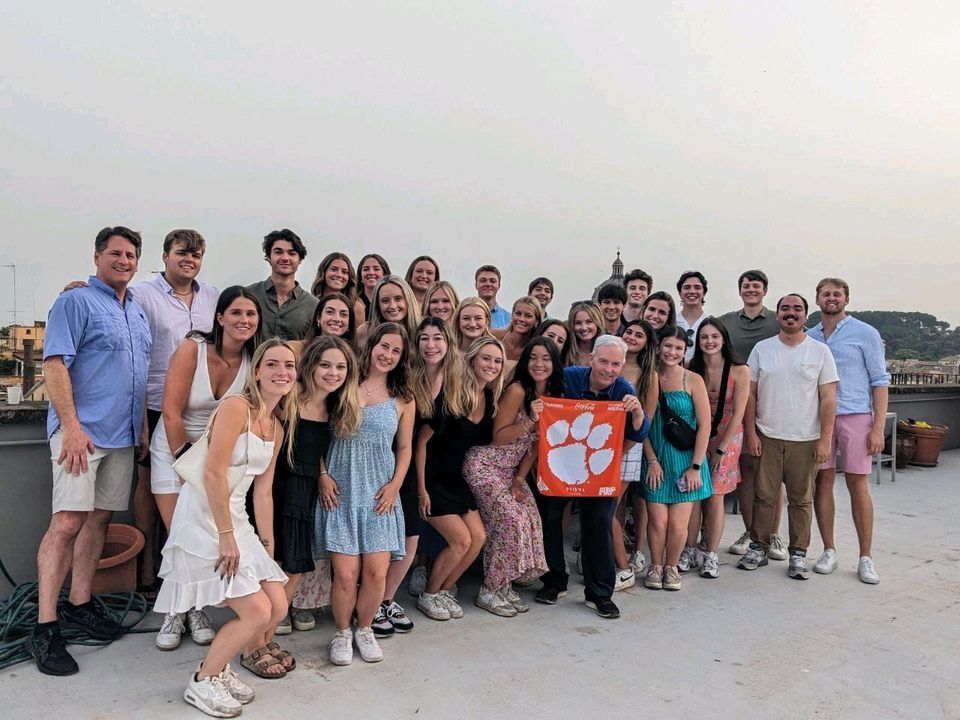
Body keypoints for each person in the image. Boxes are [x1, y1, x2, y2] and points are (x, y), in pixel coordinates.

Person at [28, 226, 151, 677]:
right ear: (97, 256)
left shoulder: (136, 310)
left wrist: (139, 427)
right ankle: (46, 627)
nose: (124, 260)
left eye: (131, 254)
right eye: (115, 253)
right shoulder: (74, 301)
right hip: (82, 437)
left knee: (100, 519)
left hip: (121, 437)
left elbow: (134, 375)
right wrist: (73, 428)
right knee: (66, 522)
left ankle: (81, 602)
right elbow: (55, 363)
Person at [153, 339, 296, 716]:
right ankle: (203, 681)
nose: (281, 372)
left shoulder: (276, 426)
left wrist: (266, 545)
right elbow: (213, 472)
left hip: (237, 518)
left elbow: (262, 493)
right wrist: (225, 536)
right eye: (272, 364)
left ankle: (217, 671)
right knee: (254, 611)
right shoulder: (237, 408)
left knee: (276, 604)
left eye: (289, 366)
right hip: (205, 516)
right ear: (257, 371)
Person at [152, 286, 261, 651]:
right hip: (174, 449)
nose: (243, 320)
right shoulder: (192, 350)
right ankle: (174, 614)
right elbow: (170, 412)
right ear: (220, 318)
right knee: (181, 538)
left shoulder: (252, 360)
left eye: (250, 314)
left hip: (216, 458)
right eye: (236, 313)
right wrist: (187, 470)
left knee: (203, 537)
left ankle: (196, 609)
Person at [315, 323, 415, 665]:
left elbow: (404, 449)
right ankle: (342, 633)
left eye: (395, 350)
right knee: (345, 574)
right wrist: (322, 474)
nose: (387, 354)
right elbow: (314, 432)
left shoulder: (403, 399)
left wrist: (396, 485)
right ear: (371, 346)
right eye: (383, 346)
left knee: (376, 573)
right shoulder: (343, 384)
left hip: (379, 494)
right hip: (340, 491)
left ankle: (365, 629)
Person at [536, 335, 650, 619]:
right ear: (590, 360)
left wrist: (637, 413)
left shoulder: (624, 389)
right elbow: (543, 397)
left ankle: (599, 594)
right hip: (562, 463)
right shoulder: (569, 378)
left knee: (598, 523)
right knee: (550, 517)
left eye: (615, 364)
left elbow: (639, 433)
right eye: (603, 362)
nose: (608, 369)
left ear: (622, 365)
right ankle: (554, 581)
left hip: (599, 469)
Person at [373, 317, 465, 636]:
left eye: (437, 338)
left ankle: (386, 600)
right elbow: (412, 438)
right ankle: (373, 603)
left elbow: (429, 439)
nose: (431, 345)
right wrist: (423, 488)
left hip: (419, 467)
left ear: (447, 343)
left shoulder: (453, 380)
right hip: (393, 460)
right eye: (424, 338)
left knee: (410, 541)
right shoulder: (408, 377)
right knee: (385, 537)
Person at [738, 295, 838, 580]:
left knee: (801, 499)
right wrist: (751, 433)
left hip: (805, 438)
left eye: (797, 309)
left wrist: (824, 440)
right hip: (767, 435)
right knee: (764, 496)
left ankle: (798, 552)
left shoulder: (819, 352)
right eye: (785, 309)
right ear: (778, 314)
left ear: (806, 316)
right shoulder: (762, 349)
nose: (790, 313)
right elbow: (751, 394)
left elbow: (828, 399)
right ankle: (759, 545)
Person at [272, 336, 360, 644]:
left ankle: (289, 608)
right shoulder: (292, 395)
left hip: (310, 484)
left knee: (299, 557)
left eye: (340, 367)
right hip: (282, 482)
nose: (333, 373)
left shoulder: (337, 405)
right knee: (283, 555)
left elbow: (319, 448)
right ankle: (271, 621)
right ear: (311, 366)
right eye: (325, 365)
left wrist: (323, 472)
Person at [416, 337, 505, 621]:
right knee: (460, 541)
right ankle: (429, 594)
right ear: (472, 360)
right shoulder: (452, 393)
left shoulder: (490, 399)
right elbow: (420, 443)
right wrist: (420, 490)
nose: (491, 365)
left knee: (478, 537)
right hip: (430, 479)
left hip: (456, 479)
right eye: (486, 358)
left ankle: (443, 589)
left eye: (497, 361)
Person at [464, 338, 555, 616]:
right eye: (533, 358)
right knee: (509, 519)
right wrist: (529, 420)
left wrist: (519, 480)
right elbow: (499, 436)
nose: (539, 364)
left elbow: (535, 446)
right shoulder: (517, 390)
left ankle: (504, 585)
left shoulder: (551, 394)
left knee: (529, 516)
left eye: (546, 358)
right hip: (485, 465)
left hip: (509, 472)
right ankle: (490, 589)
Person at [807, 278, 889, 584]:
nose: (831, 298)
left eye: (837, 294)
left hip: (855, 415)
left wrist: (877, 428)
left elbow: (880, 381)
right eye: (826, 294)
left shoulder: (866, 333)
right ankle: (829, 550)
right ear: (817, 300)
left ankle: (865, 557)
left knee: (858, 485)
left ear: (846, 299)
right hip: (819, 419)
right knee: (822, 482)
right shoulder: (810, 336)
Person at [717, 270, 785, 558]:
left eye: (756, 286)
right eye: (746, 285)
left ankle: (773, 534)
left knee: (771, 474)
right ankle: (750, 531)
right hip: (735, 405)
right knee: (745, 471)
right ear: (739, 290)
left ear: (765, 290)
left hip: (772, 403)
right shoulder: (726, 322)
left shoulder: (776, 320)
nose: (751, 290)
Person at [640, 327, 712, 591]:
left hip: (686, 462)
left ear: (685, 352)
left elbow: (705, 425)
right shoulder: (648, 378)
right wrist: (652, 460)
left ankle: (671, 566)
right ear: (659, 347)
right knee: (658, 521)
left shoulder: (693, 380)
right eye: (668, 346)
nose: (672, 352)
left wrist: (695, 466)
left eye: (678, 348)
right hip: (656, 460)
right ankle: (655, 564)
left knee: (679, 524)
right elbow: (641, 424)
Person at [684, 318, 748, 579]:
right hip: (699, 433)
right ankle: (689, 549)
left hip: (727, 435)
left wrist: (721, 449)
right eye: (704, 337)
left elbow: (739, 413)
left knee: (716, 496)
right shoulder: (692, 368)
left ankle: (711, 552)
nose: (709, 342)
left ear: (723, 339)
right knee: (694, 493)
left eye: (714, 337)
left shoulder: (739, 370)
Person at [613, 320, 658, 587]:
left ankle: (624, 567)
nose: (632, 337)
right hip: (603, 445)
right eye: (628, 332)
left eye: (639, 335)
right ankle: (612, 558)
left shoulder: (648, 374)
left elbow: (647, 420)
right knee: (610, 510)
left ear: (647, 343)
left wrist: (621, 451)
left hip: (628, 447)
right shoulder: (611, 363)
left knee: (607, 508)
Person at [246, 229, 318, 341]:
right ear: (269, 257)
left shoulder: (313, 306)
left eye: (292, 253)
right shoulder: (249, 295)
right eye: (278, 252)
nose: (285, 258)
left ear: (300, 260)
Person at [354, 275, 421, 350]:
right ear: (378, 305)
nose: (392, 306)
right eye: (385, 300)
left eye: (398, 299)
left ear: (408, 300)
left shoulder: (422, 331)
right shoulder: (364, 332)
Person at [309, 252, 365, 326]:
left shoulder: (356, 308)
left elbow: (358, 337)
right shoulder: (310, 303)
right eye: (334, 269)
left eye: (344, 272)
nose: (339, 275)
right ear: (324, 272)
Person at [493, 296, 544, 365]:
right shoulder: (494, 336)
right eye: (518, 313)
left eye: (528, 316)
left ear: (537, 321)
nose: (521, 319)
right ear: (512, 315)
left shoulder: (535, 349)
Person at [675, 271, 708, 362]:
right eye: (687, 287)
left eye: (697, 287)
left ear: (704, 293)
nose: (692, 291)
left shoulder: (710, 323)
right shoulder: (671, 322)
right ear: (680, 293)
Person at [564, 301, 603, 367]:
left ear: (598, 323)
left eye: (589, 322)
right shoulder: (564, 353)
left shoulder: (608, 350)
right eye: (578, 323)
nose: (584, 327)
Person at [475, 265, 511, 329]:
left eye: (493, 281)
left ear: (499, 286)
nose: (488, 284)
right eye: (483, 280)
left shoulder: (509, 319)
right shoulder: (464, 316)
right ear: (476, 285)